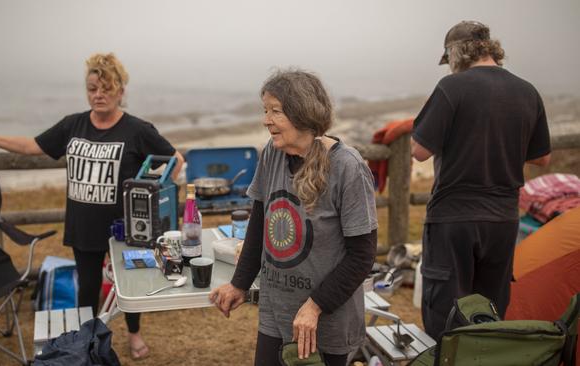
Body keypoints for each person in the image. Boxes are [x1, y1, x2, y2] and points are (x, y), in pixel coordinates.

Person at [0, 52, 185, 360]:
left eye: (106, 88)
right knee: (87, 287)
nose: (98, 95)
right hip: (83, 225)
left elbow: (175, 161)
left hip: (125, 227)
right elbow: (33, 146)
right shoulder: (73, 125)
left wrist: (154, 196)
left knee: (128, 287)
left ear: (120, 92)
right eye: (92, 88)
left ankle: (134, 333)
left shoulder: (137, 130)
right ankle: (89, 342)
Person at [210, 70, 378, 366]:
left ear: (303, 113)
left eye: (276, 111)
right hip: (276, 313)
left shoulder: (347, 167)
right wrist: (239, 284)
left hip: (326, 320)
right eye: (265, 111)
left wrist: (315, 306)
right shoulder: (271, 155)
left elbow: (362, 256)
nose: (266, 120)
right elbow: (259, 226)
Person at [411, 21, 551, 338]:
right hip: (503, 219)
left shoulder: (453, 88)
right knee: (489, 311)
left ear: (455, 52)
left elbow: (419, 151)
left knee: (445, 312)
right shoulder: (527, 91)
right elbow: (542, 156)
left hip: (453, 218)